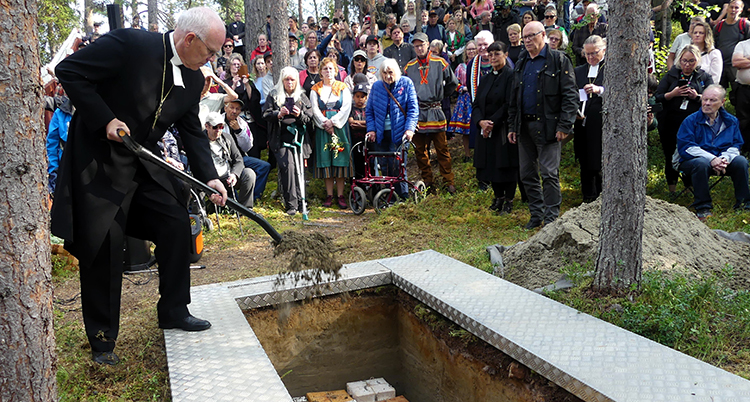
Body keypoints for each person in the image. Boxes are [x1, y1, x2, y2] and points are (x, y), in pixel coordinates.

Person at [53, 7, 228, 365]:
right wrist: (105, 118)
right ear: (190, 39)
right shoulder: (130, 43)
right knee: (105, 246)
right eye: (210, 51)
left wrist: (210, 177)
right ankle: (103, 341)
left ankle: (174, 310)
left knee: (175, 221)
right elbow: (68, 71)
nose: (214, 59)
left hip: (141, 166)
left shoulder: (195, 80)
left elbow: (192, 133)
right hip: (97, 166)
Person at [508, 21, 578, 229]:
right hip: (524, 126)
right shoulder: (521, 61)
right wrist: (512, 126)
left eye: (531, 36)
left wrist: (565, 125)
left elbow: (570, 95)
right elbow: (514, 97)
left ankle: (551, 217)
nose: (527, 40)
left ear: (543, 35)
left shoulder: (558, 60)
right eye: (525, 37)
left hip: (549, 126)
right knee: (527, 173)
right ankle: (536, 213)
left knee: (548, 173)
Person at [676, 84, 749, 220]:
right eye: (705, 99)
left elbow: (736, 144)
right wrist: (712, 159)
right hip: (691, 162)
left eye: (712, 100)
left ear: (722, 102)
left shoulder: (731, 121)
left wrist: (724, 159)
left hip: (721, 160)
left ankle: (744, 204)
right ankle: (703, 207)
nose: (707, 103)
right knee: (701, 163)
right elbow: (686, 147)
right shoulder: (691, 121)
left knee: (741, 161)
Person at [404, 32, 459, 194]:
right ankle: (427, 180)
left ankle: (448, 181)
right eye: (416, 45)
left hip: (435, 110)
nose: (419, 48)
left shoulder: (440, 62)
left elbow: (452, 83)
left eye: (422, 44)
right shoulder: (409, 67)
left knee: (442, 149)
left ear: (428, 44)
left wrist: (440, 95)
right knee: (420, 150)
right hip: (418, 113)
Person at [655, 44, 713, 194]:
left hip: (694, 124)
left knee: (692, 153)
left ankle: (690, 187)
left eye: (691, 61)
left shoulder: (703, 76)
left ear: (697, 61)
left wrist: (697, 96)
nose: (687, 65)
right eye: (684, 61)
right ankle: (672, 190)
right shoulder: (671, 75)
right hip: (670, 123)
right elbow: (657, 97)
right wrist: (672, 94)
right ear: (679, 60)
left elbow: (713, 98)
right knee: (670, 154)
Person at [472, 41, 517, 214]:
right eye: (490, 55)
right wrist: (480, 122)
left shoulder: (511, 76)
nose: (492, 58)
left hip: (503, 127)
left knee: (505, 165)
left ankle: (509, 200)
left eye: (497, 54)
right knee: (490, 164)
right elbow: (476, 104)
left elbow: (509, 103)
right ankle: (498, 197)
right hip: (485, 129)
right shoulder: (486, 78)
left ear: (505, 55)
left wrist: (491, 122)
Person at [365, 59, 420, 197]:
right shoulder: (377, 86)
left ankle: (403, 195)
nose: (388, 76)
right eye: (384, 73)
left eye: (390, 72)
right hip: (381, 133)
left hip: (400, 133)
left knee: (398, 165)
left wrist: (409, 129)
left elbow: (413, 109)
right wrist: (371, 129)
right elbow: (369, 110)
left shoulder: (406, 83)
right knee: (384, 165)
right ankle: (389, 196)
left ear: (396, 72)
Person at [263, 67, 313, 215]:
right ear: (282, 81)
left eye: (292, 80)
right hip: (280, 139)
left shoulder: (302, 96)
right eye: (287, 79)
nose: (290, 82)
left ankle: (301, 202)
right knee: (287, 168)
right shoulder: (273, 95)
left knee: (299, 170)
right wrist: (278, 113)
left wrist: (300, 114)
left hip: (299, 138)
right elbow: (265, 114)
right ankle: (291, 204)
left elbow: (309, 118)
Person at [311, 58, 353, 208]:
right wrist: (325, 123)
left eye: (330, 69)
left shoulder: (343, 87)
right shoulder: (315, 89)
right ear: (321, 72)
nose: (328, 71)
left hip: (339, 127)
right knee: (326, 160)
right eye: (325, 69)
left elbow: (346, 107)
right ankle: (329, 195)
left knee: (339, 158)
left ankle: (341, 195)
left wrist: (333, 122)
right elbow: (315, 109)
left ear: (336, 71)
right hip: (323, 128)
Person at [574, 35, 606, 203]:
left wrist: (599, 89)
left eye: (594, 53)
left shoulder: (610, 69)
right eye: (587, 54)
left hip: (600, 124)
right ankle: (587, 197)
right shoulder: (579, 71)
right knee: (584, 160)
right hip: (582, 123)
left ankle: (602, 196)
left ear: (604, 50)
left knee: (599, 160)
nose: (590, 57)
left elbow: (619, 92)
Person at [205, 112, 256, 208]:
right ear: (207, 126)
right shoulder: (200, 141)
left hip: (227, 176)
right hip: (209, 178)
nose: (218, 130)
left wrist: (234, 174)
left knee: (249, 174)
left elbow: (238, 159)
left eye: (221, 127)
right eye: (215, 127)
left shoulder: (227, 138)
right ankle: (200, 212)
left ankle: (245, 209)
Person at [223, 99, 271, 201]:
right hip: (223, 159)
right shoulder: (218, 122)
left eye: (237, 109)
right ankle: (232, 200)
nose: (234, 111)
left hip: (241, 158)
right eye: (231, 108)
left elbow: (247, 146)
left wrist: (238, 131)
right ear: (225, 108)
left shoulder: (243, 123)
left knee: (264, 166)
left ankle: (253, 197)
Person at [448, 39, 478, 160]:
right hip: (464, 99)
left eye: (473, 49)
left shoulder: (480, 65)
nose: (471, 51)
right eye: (469, 49)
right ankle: (467, 154)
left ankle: (478, 152)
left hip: (477, 97)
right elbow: (454, 83)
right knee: (466, 129)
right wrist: (463, 88)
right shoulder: (461, 67)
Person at [714, 0, 750, 92]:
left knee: (737, 92)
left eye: (736, 7)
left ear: (741, 10)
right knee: (718, 91)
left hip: (737, 66)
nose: (733, 10)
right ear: (727, 8)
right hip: (720, 64)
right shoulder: (719, 26)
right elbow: (713, 44)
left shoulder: (744, 25)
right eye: (731, 7)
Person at [47, 97, 74, 195]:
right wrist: (53, 170)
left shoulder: (95, 111)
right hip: (65, 170)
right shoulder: (60, 113)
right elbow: (52, 144)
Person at [349, 79, 370, 180]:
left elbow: (369, 123)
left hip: (368, 141)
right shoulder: (351, 109)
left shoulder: (368, 109)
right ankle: (357, 184)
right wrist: (364, 124)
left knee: (368, 162)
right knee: (357, 163)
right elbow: (351, 122)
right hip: (355, 141)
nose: (360, 99)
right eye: (357, 96)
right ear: (353, 97)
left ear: (366, 98)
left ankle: (370, 185)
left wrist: (359, 124)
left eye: (362, 96)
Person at [733, 35, 750, 151]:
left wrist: (747, 59)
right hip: (744, 90)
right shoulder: (742, 45)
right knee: (743, 120)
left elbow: (741, 62)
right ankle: (743, 149)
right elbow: (736, 62)